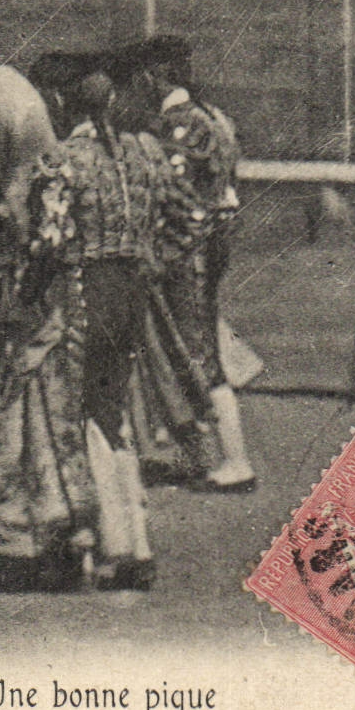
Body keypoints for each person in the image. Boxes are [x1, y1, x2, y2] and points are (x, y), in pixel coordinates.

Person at [0, 70, 193, 591]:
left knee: (70, 419)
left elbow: (48, 242)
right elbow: (182, 219)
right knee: (113, 417)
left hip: (79, 296)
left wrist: (24, 298)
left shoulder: (63, 160)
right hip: (131, 299)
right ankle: (135, 543)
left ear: (61, 105)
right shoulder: (145, 153)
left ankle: (99, 545)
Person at [113, 35, 256, 491]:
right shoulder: (212, 116)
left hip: (186, 254)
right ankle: (203, 456)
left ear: (151, 76)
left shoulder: (177, 124)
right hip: (206, 248)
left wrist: (158, 255)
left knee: (194, 353)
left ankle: (235, 462)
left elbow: (179, 203)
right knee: (193, 349)